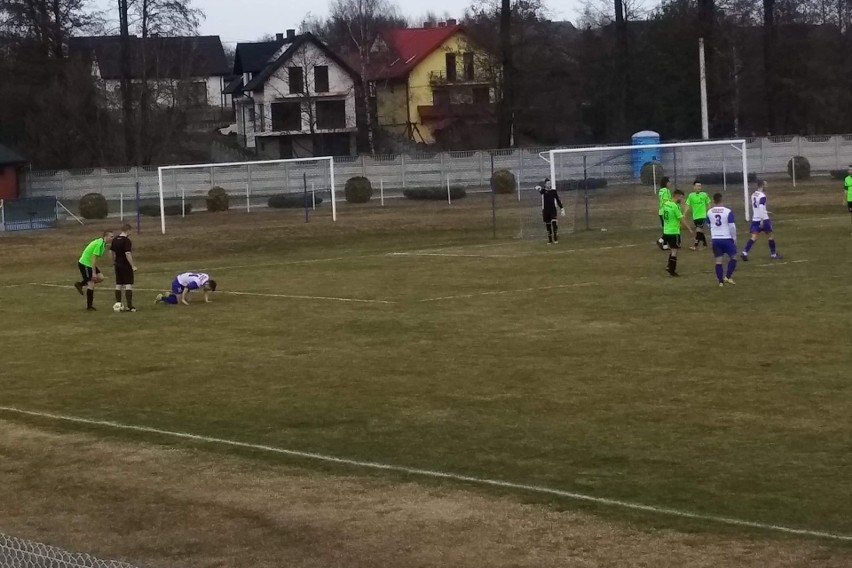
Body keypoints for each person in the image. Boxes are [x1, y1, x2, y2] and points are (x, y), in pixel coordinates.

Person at [741, 180, 782, 261]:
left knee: (753, 237)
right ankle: (773, 255)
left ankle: (744, 252)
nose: (767, 186)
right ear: (762, 185)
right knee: (770, 236)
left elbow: (757, 207)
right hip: (763, 219)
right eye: (766, 185)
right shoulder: (762, 196)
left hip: (755, 219)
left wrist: (765, 211)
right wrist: (762, 220)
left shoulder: (753, 194)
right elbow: (760, 206)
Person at [74, 230, 114, 311]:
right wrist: (93, 272)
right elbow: (93, 258)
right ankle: (89, 306)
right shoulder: (99, 244)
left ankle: (80, 284)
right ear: (106, 236)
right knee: (91, 284)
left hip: (89, 263)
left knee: (101, 278)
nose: (112, 238)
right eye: (111, 236)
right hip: (85, 263)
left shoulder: (103, 243)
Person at [707, 193, 738, 286]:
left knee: (718, 261)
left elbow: (708, 224)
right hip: (726, 238)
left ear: (714, 200)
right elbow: (732, 226)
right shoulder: (727, 211)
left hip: (716, 239)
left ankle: (720, 282)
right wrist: (734, 237)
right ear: (722, 199)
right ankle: (727, 277)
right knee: (734, 258)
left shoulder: (709, 212)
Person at [661, 189, 693, 276]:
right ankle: (672, 269)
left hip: (666, 231)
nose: (682, 200)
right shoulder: (675, 206)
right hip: (674, 232)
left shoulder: (666, 204)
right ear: (677, 196)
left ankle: (669, 266)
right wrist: (689, 228)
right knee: (674, 251)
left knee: (672, 249)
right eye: (681, 198)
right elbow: (681, 219)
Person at [110, 224, 138, 312]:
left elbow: (111, 252)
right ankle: (129, 306)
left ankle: (118, 303)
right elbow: (127, 253)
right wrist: (132, 266)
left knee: (118, 284)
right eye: (131, 231)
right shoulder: (126, 241)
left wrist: (113, 262)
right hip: (125, 265)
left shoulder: (115, 240)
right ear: (128, 230)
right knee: (128, 284)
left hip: (117, 264)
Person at [684, 180, 711, 250]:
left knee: (698, 230)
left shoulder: (704, 194)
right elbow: (687, 205)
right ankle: (705, 244)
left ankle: (695, 246)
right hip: (695, 216)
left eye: (700, 186)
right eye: (697, 186)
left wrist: (709, 212)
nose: (699, 187)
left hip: (703, 216)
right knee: (700, 231)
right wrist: (684, 213)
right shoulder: (691, 195)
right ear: (694, 187)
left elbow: (709, 203)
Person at [536, 178, 565, 244]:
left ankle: (555, 237)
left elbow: (558, 200)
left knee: (554, 223)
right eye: (548, 184)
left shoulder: (553, 191)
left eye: (550, 183)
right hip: (546, 210)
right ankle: (550, 239)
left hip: (553, 209)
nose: (549, 185)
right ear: (545, 184)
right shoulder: (543, 191)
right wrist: (538, 188)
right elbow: (537, 188)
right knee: (548, 225)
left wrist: (562, 208)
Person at [656, 177, 673, 250]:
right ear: (666, 183)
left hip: (661, 211)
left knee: (666, 228)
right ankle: (660, 240)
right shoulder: (666, 191)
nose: (670, 183)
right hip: (665, 211)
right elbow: (666, 201)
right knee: (669, 229)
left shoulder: (661, 190)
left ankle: (665, 245)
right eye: (669, 182)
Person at [844, 165, 852, 229]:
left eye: (851, 170)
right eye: (849, 170)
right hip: (850, 199)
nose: (850, 171)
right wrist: (844, 199)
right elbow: (845, 190)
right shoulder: (846, 179)